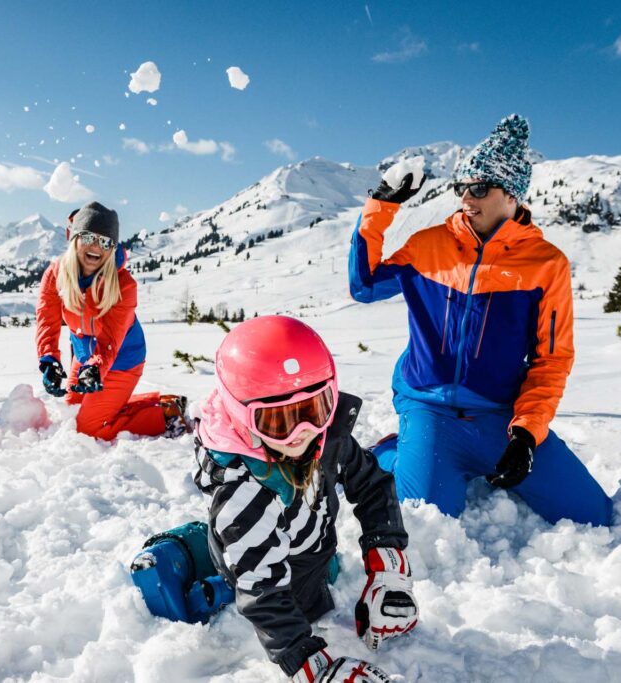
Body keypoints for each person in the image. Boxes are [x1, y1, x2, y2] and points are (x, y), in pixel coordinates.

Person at [348, 114, 612, 526]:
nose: (467, 198)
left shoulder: (547, 265)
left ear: (512, 195)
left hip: (499, 415)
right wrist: (382, 205)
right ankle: (395, 450)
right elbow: (364, 286)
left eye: (479, 188)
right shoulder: (427, 245)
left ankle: (461, 455)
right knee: (426, 524)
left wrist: (526, 435)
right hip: (429, 407)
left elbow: (552, 360)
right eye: (461, 188)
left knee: (593, 514)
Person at [193, 316, 417, 683]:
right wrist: (315, 667)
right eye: (278, 421)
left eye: (316, 409)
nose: (302, 433)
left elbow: (373, 486)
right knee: (292, 596)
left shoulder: (325, 437)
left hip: (310, 547)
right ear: (241, 415)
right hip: (285, 583)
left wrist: (389, 568)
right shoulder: (245, 494)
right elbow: (265, 596)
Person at [35, 201, 188, 440]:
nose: (97, 246)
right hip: (85, 357)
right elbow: (47, 320)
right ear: (75, 238)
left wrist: (96, 369)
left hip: (121, 359)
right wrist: (49, 359)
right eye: (89, 237)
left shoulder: (124, 285)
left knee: (88, 430)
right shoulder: (55, 274)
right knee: (71, 411)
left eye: (105, 241)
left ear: (112, 247)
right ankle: (159, 402)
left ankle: (165, 416)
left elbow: (111, 340)